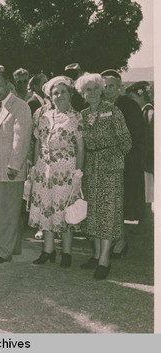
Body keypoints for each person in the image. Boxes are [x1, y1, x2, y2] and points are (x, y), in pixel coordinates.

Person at [75, 73, 131, 279]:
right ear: (82, 93)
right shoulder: (80, 115)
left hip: (110, 168)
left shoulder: (113, 110)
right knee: (93, 212)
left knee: (107, 211)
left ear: (102, 90)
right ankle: (96, 254)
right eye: (87, 90)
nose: (92, 93)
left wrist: (114, 158)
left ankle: (104, 260)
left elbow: (126, 140)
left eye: (95, 89)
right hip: (90, 167)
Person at [28, 76, 85, 268]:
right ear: (50, 96)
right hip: (44, 168)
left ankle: (67, 253)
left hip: (66, 169)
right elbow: (38, 141)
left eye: (62, 92)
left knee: (64, 209)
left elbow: (81, 147)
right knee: (46, 208)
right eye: (55, 92)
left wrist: (79, 172)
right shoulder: (43, 116)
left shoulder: (76, 117)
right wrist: (35, 166)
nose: (59, 95)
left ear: (69, 94)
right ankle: (48, 250)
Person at [0, 67, 32, 264]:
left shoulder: (20, 106)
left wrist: (14, 164)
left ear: (8, 86)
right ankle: (13, 246)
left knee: (8, 210)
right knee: (6, 210)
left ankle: (4, 251)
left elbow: (21, 138)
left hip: (10, 168)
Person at [101, 69, 144, 256]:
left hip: (125, 163)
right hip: (105, 163)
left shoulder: (129, 106)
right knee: (110, 204)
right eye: (105, 86)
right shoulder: (101, 106)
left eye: (112, 86)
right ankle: (112, 240)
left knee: (121, 204)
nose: (108, 90)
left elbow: (135, 137)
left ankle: (120, 241)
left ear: (120, 87)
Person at [126, 81, 154, 211]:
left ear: (142, 96)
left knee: (150, 194)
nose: (132, 103)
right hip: (146, 161)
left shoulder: (149, 113)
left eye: (133, 98)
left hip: (149, 161)